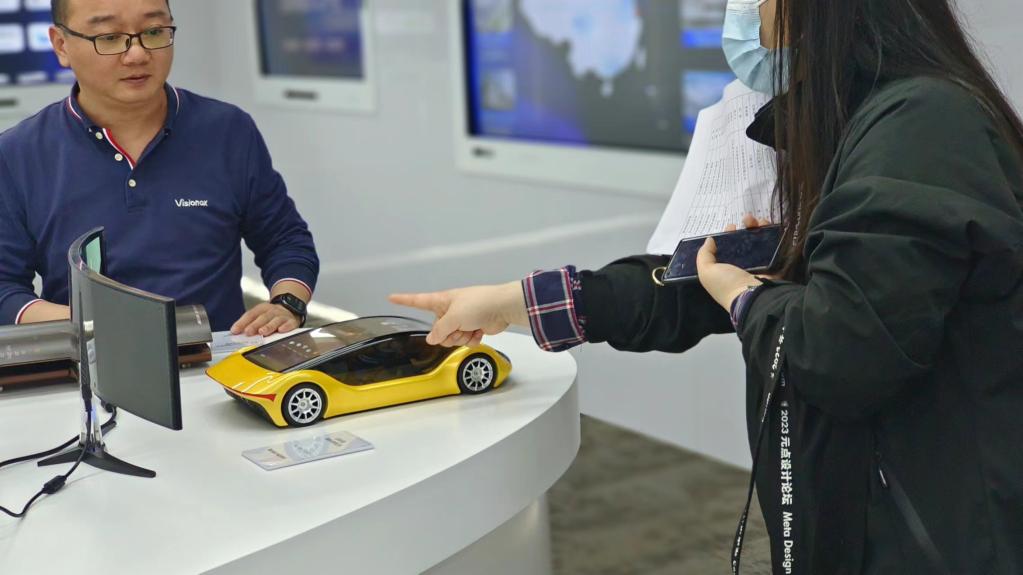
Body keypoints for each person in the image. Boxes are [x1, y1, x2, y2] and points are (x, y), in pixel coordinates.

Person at [391, 0, 1023, 572]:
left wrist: (746, 297)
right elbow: (696, 284)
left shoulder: (920, 126)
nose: (743, 11)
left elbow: (840, 351)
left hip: (935, 531)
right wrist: (516, 303)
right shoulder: (863, 123)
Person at [0, 0, 319, 336]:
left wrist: (287, 304)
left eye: (153, 32)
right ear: (61, 45)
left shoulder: (227, 130)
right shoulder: (18, 153)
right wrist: (97, 327)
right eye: (109, 37)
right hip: (91, 356)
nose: (137, 54)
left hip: (219, 355)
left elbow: (285, 239)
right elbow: (5, 287)